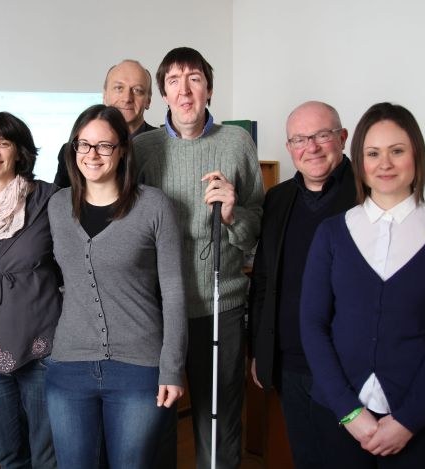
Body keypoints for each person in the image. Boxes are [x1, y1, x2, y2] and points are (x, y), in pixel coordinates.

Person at [300, 102, 425, 468]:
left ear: (416, 156)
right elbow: (313, 326)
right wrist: (350, 413)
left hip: (418, 425)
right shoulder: (332, 234)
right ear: (360, 162)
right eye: (373, 153)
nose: (385, 164)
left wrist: (409, 420)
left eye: (397, 151)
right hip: (336, 418)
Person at [132, 47, 264, 469]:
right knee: (156, 421)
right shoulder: (143, 148)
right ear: (163, 94)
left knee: (218, 420)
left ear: (208, 88)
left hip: (219, 305)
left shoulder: (237, 142)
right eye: (174, 80)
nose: (185, 90)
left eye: (194, 79)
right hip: (155, 310)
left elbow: (257, 226)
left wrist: (233, 214)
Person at [46, 104, 187, 469]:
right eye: (83, 145)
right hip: (69, 367)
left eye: (104, 146)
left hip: (138, 369)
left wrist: (171, 368)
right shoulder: (57, 207)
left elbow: (173, 292)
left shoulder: (154, 206)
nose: (92, 155)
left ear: (123, 149)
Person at [249, 101, 356, 468]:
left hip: (348, 366)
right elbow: (262, 279)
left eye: (321, 135)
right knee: (306, 458)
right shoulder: (278, 199)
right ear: (289, 147)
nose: (310, 147)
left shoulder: (369, 195)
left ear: (342, 137)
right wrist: (260, 351)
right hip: (290, 365)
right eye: (298, 139)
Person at [0, 111, 62, 468]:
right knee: (9, 455)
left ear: (19, 152)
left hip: (41, 348)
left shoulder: (50, 200)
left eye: (3, 142)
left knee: (46, 453)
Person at [54, 59, 155, 188]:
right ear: (105, 95)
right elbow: (61, 203)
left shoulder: (162, 148)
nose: (127, 98)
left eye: (137, 90)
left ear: (148, 100)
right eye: (119, 88)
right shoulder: (73, 152)